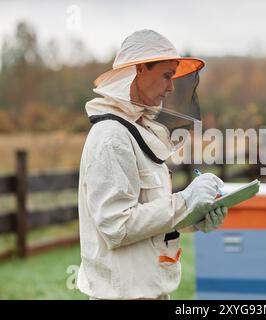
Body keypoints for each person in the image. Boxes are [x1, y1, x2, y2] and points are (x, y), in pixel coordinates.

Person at [76, 29, 228, 300]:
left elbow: (149, 215)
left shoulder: (136, 131)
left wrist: (194, 217)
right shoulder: (112, 137)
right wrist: (185, 201)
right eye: (167, 75)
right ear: (139, 70)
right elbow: (117, 226)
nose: (171, 88)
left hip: (149, 291)